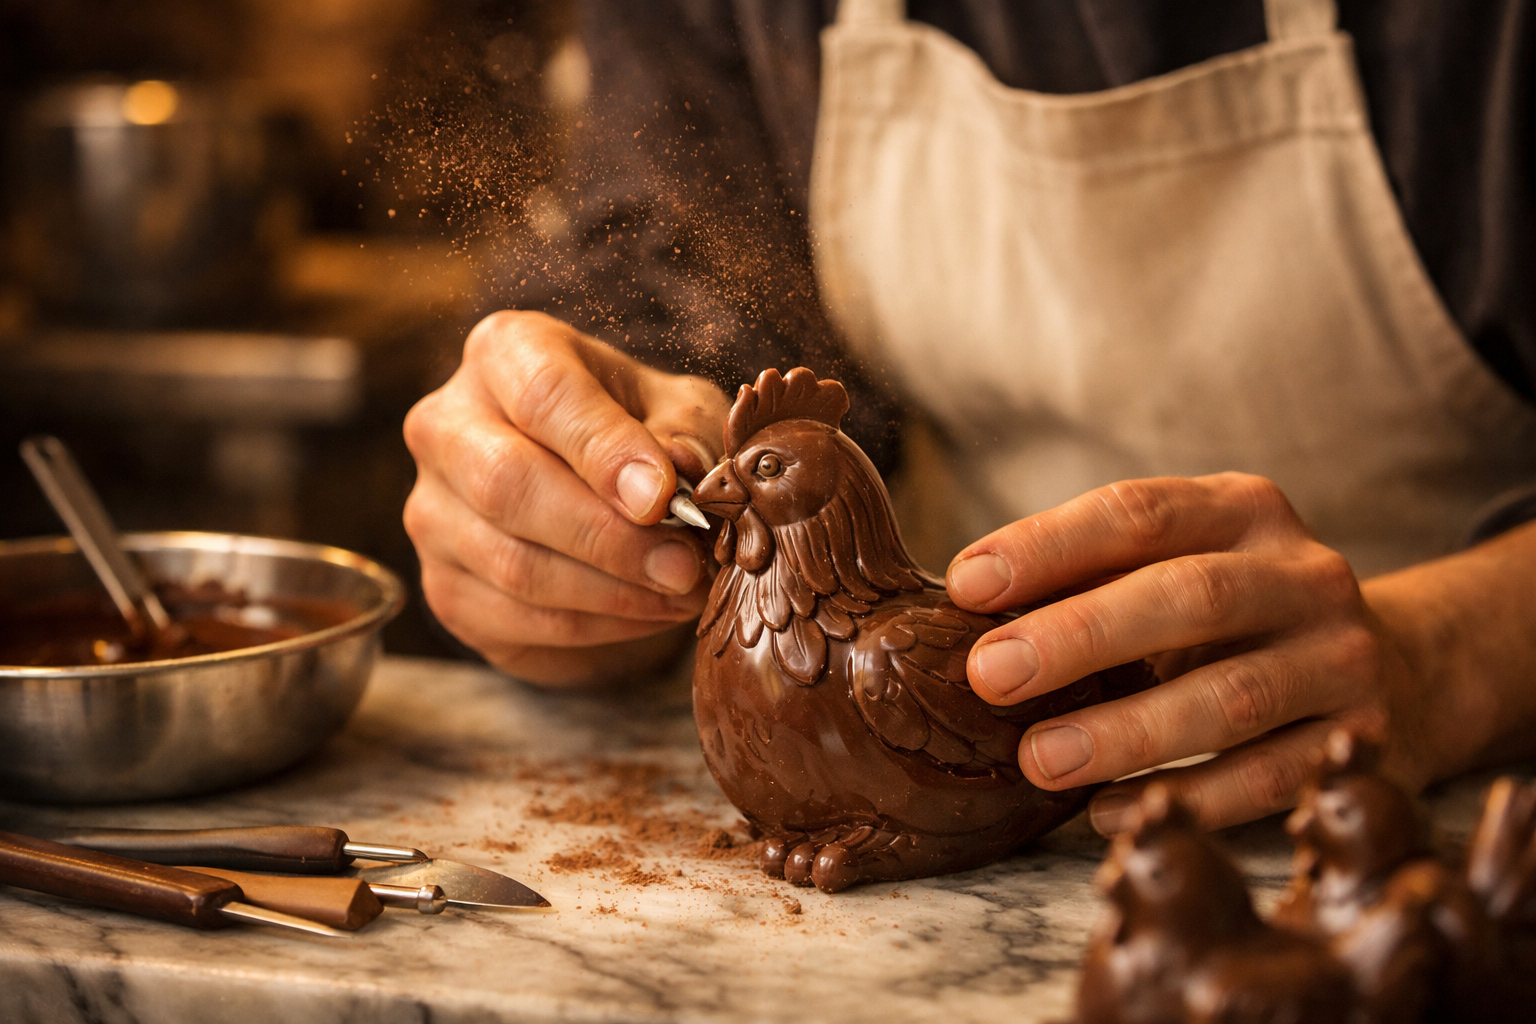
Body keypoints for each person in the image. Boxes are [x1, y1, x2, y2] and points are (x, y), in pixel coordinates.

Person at [403, 0, 1536, 836]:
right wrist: (574, 529)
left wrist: (1452, 649)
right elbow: (682, 296)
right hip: (963, 820)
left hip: (1430, 821)